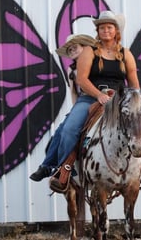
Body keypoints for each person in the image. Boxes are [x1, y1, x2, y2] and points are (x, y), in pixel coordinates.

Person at [30, 10, 141, 189]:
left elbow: (134, 83)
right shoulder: (89, 52)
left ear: (116, 31)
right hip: (91, 97)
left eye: (109, 27)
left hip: (119, 99)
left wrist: (137, 101)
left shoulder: (126, 54)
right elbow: (82, 79)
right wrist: (98, 95)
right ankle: (64, 171)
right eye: (102, 27)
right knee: (69, 129)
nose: (106, 30)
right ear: (97, 31)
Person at [30, 34, 96, 181]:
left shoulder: (95, 63)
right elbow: (73, 92)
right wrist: (74, 111)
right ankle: (49, 166)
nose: (72, 51)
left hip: (100, 98)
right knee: (62, 130)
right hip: (84, 101)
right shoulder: (71, 71)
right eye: (70, 50)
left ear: (85, 47)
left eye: (75, 47)